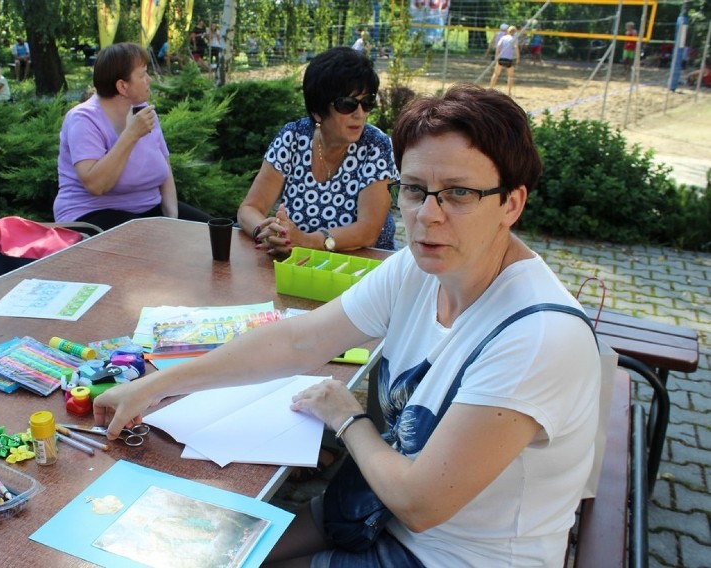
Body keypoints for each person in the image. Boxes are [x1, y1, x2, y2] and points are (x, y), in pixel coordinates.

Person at [92, 83, 601, 566]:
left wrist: (347, 418)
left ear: (511, 203)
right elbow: (298, 341)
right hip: (373, 513)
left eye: (459, 193)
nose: (427, 215)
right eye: (415, 190)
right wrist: (153, 388)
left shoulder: (536, 337)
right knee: (198, 554)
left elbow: (420, 504)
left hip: (442, 553)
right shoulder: (420, 269)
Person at [237, 47, 397, 256]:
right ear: (317, 111)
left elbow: (367, 231)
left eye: (367, 103)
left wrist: (308, 241)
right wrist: (266, 231)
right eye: (347, 104)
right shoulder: (293, 137)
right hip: (299, 264)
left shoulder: (376, 146)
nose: (360, 114)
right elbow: (248, 209)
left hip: (365, 271)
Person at [53, 42, 212, 231]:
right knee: (149, 239)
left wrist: (173, 219)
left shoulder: (144, 112)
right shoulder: (83, 119)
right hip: (90, 214)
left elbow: (165, 172)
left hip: (147, 209)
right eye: (143, 74)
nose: (149, 80)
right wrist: (131, 135)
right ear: (122, 86)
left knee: (218, 231)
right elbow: (96, 185)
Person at [489, 25, 520, 96]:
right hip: (509, 59)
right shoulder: (514, 39)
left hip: (501, 58)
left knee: (496, 74)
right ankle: (509, 92)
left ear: (508, 31)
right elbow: (516, 49)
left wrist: (497, 56)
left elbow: (498, 46)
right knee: (510, 76)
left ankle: (490, 89)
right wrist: (518, 58)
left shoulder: (503, 38)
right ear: (514, 32)